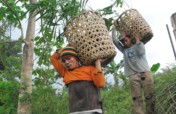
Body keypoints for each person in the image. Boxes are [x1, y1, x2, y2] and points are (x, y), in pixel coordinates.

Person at [50, 44, 106, 114]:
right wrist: (65, 48)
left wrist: (98, 63)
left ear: (76, 58)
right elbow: (53, 59)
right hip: (75, 111)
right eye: (63, 61)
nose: (66, 62)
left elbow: (101, 84)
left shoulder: (90, 69)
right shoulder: (65, 73)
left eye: (69, 58)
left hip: (93, 110)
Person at [112, 27, 155, 114]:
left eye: (125, 39)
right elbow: (115, 40)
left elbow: (141, 52)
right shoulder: (124, 50)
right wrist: (114, 28)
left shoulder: (139, 45)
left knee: (149, 96)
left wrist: (138, 40)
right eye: (123, 41)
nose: (124, 41)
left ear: (130, 38)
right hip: (133, 76)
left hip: (145, 73)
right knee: (136, 98)